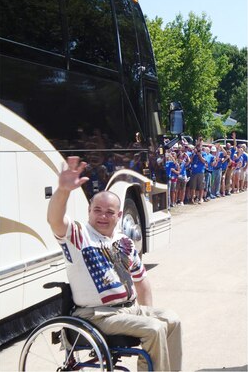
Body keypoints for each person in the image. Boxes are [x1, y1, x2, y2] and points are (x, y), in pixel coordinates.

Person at [47, 156, 182, 372]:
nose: (103, 216)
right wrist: (63, 191)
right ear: (89, 211)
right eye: (97, 210)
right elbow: (55, 220)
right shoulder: (79, 235)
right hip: (98, 315)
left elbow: (142, 282)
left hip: (129, 310)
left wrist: (143, 315)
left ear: (119, 215)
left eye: (110, 212)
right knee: (154, 329)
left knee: (172, 320)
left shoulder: (124, 241)